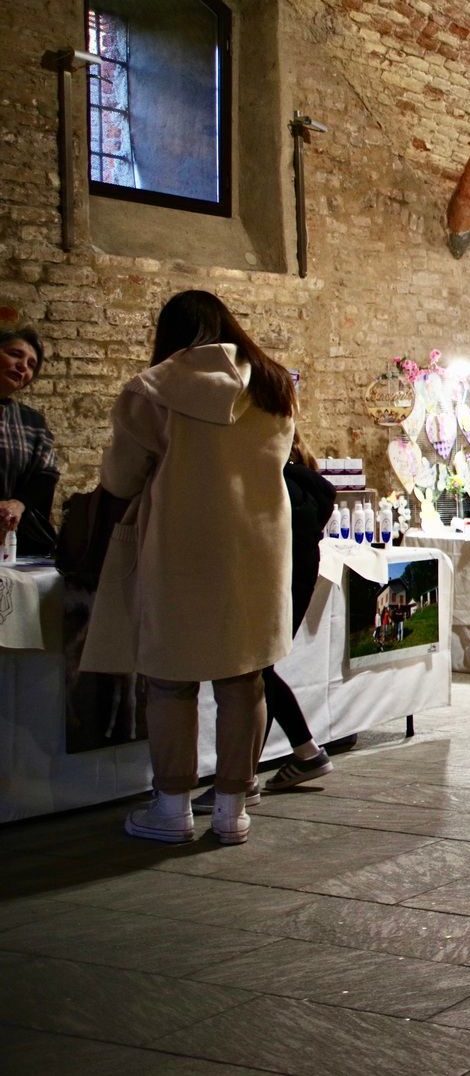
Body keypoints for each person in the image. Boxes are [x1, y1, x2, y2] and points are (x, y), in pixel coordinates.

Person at [81, 291, 294, 845]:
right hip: (256, 547)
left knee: (171, 680)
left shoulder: (153, 389)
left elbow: (122, 479)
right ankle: (232, 810)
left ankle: (172, 808)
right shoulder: (273, 385)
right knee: (242, 676)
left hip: (178, 546)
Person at [192, 432, 338, 814]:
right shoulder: (306, 483)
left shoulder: (271, 483)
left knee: (251, 671)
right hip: (296, 574)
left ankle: (246, 780)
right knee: (258, 670)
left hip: (270, 577)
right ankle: (287, 760)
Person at [0, 324, 58, 557]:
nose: (23, 366)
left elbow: (46, 475)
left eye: (31, 365)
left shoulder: (32, 422)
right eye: (15, 354)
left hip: (12, 540)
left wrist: (17, 504)